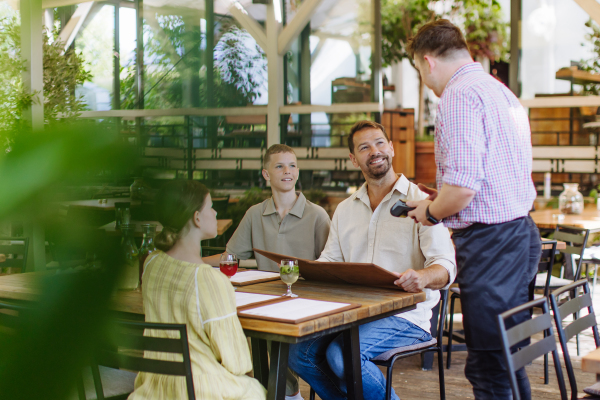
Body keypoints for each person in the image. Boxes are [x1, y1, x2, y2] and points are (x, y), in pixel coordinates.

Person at [405, 19, 540, 400]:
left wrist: (431, 212)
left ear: (428, 62)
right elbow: (489, 178)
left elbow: (463, 188)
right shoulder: (500, 91)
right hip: (518, 235)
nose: (424, 81)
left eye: (418, 71)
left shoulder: (459, 95)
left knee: (490, 364)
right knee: (505, 358)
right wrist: (436, 200)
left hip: (492, 244)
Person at [287, 120, 456, 400]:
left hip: (406, 316)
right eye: (364, 147)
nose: (374, 151)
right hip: (352, 314)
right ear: (354, 159)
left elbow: (446, 267)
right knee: (297, 353)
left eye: (379, 143)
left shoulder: (421, 201)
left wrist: (423, 277)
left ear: (390, 148)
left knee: (342, 356)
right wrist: (309, 271)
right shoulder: (344, 210)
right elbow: (330, 260)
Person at [205, 144, 331, 400]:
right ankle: (281, 394)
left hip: (307, 304)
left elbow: (329, 266)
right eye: (280, 166)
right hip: (267, 301)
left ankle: (287, 394)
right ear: (266, 174)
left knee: (276, 337)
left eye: (293, 165)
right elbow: (231, 258)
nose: (288, 171)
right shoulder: (254, 214)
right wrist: (190, 260)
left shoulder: (317, 215)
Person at [128, 180, 265, 400]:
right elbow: (236, 360)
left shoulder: (151, 264)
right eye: (210, 206)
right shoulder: (208, 278)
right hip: (200, 389)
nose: (215, 211)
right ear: (197, 217)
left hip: (154, 387)